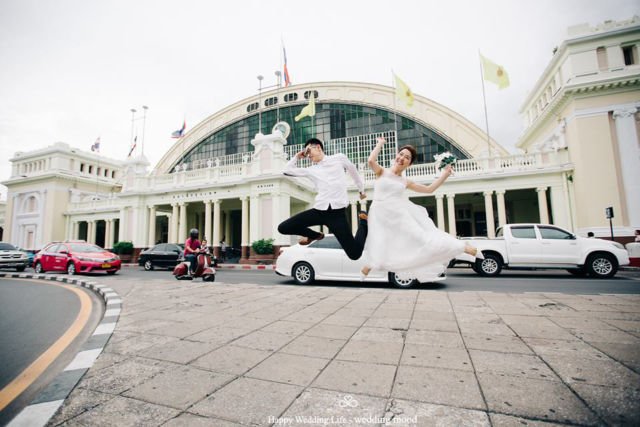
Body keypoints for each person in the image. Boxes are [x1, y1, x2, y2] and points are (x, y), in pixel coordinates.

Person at [361, 137, 483, 282]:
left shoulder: (405, 182)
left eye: (407, 158)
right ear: (396, 156)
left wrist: (445, 174)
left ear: (409, 164)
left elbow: (429, 189)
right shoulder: (381, 172)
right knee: (383, 241)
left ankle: (462, 247)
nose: (402, 158)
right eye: (401, 154)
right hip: (380, 214)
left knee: (423, 239)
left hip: (399, 216)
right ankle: (370, 264)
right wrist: (380, 144)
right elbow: (370, 161)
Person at [278, 138, 368, 260]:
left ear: (318, 147)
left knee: (355, 254)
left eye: (309, 151)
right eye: (306, 153)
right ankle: (316, 235)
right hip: (319, 211)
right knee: (283, 227)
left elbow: (353, 171)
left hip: (337, 215)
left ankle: (363, 223)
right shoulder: (311, 170)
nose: (308, 155)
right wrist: (297, 157)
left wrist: (361, 190)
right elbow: (285, 171)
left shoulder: (339, 158)